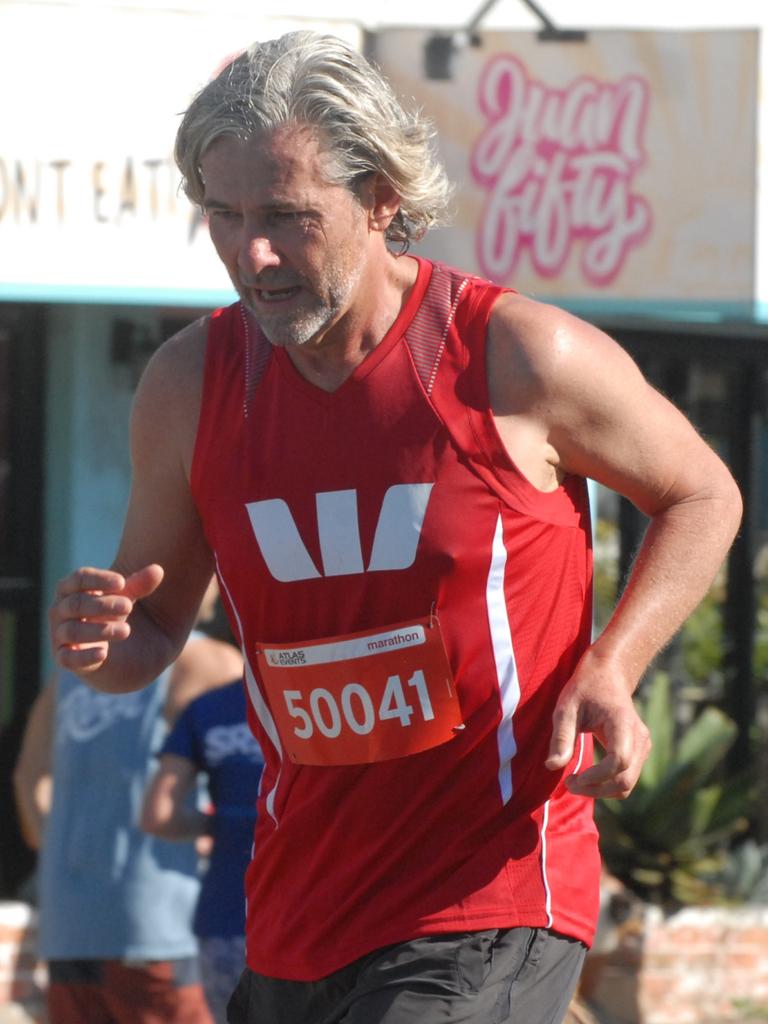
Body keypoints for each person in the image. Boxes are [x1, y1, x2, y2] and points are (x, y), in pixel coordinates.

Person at [48, 30, 743, 1024]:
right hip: (296, 911)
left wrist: (614, 664)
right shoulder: (189, 383)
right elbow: (145, 635)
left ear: (380, 197)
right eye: (224, 214)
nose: (252, 252)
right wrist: (103, 639)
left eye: (287, 217)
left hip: (489, 893)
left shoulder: (514, 357)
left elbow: (703, 492)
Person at [15, 588, 243, 1024]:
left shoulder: (72, 673)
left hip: (70, 922)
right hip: (158, 921)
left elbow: (28, 780)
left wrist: (71, 853)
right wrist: (215, 832)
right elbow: (256, 774)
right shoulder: (209, 663)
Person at [140, 677, 264, 1023]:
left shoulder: (209, 707)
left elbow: (158, 815)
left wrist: (221, 825)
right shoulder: (327, 692)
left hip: (225, 916)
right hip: (320, 915)